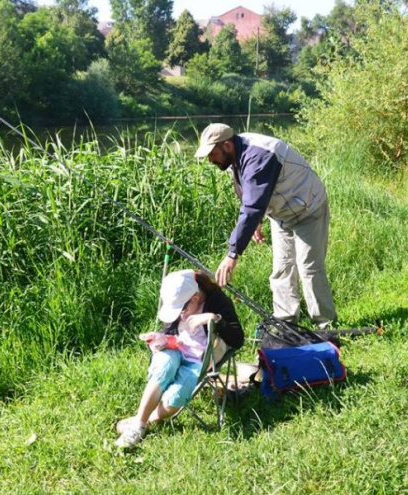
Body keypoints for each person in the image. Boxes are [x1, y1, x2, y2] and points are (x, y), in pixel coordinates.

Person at [194, 123, 337, 329]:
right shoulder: (235, 157)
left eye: (212, 153)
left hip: (308, 207)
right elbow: (251, 193)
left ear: (226, 145)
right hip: (282, 214)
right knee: (281, 269)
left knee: (309, 268)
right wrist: (257, 221)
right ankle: (286, 322)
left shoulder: (259, 155)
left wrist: (232, 254)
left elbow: (253, 205)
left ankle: (325, 324)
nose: (210, 159)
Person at [114, 269, 243, 449]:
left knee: (177, 395)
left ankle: (144, 421)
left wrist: (214, 319)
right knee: (164, 366)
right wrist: (160, 339)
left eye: (181, 309)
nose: (179, 314)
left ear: (195, 298)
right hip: (177, 349)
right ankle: (138, 426)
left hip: (201, 359)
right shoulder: (181, 302)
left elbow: (237, 339)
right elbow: (171, 333)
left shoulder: (218, 302)